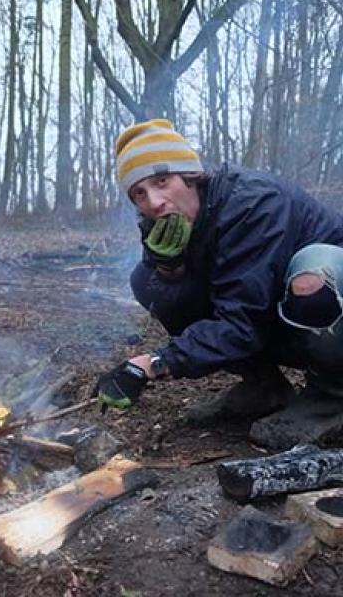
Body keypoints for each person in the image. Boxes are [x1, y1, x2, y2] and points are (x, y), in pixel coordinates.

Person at [93, 118, 343, 449]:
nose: (154, 202)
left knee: (314, 274)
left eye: (162, 181)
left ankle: (331, 399)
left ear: (190, 176)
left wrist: (152, 364)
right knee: (147, 280)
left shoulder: (253, 203)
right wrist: (172, 270)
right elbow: (222, 303)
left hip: (327, 312)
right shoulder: (162, 224)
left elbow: (241, 323)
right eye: (139, 193)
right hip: (271, 312)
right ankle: (263, 386)